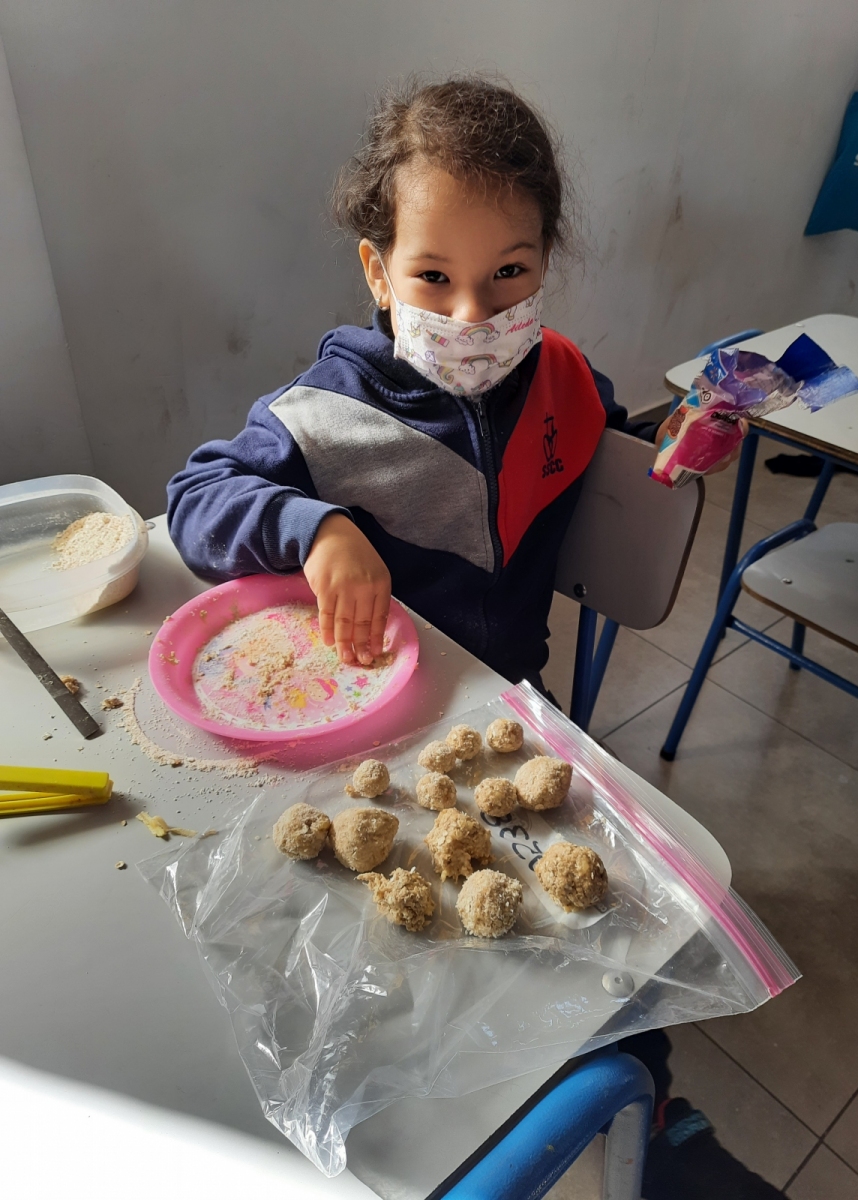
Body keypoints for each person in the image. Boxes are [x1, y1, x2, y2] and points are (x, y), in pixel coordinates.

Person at [167, 75, 769, 1197]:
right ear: (376, 269)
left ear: (545, 265)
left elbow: (606, 452)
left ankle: (648, 1103)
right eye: (433, 277)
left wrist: (679, 443)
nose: (475, 316)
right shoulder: (326, 413)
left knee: (605, 940)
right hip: (365, 742)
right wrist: (318, 528)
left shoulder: (563, 379)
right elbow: (197, 499)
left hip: (508, 723)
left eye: (511, 274)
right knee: (375, 974)